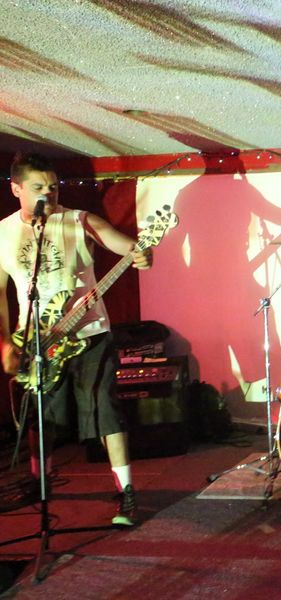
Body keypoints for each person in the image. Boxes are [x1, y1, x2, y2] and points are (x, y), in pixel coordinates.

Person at [0, 152, 153, 526]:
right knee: (41, 415)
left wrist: (140, 253)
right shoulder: (3, 233)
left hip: (89, 333)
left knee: (104, 409)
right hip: (35, 339)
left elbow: (122, 244)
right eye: (38, 187)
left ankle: (126, 493)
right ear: (16, 189)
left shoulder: (78, 220)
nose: (48, 194)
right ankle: (40, 484)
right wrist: (5, 343)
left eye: (53, 186)